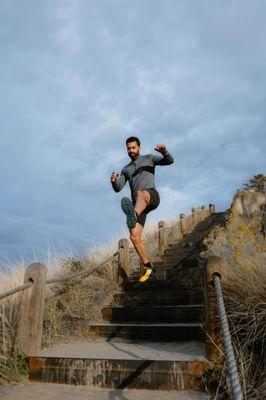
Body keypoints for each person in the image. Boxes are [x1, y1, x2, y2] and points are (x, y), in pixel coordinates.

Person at [110, 136, 174, 283]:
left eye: (133, 147)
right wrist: (113, 181)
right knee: (134, 237)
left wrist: (165, 152)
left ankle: (133, 213)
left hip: (151, 196)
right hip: (140, 207)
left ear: (139, 147)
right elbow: (118, 188)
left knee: (140, 193)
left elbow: (169, 161)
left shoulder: (149, 159)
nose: (131, 150)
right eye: (128, 148)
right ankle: (149, 267)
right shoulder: (126, 169)